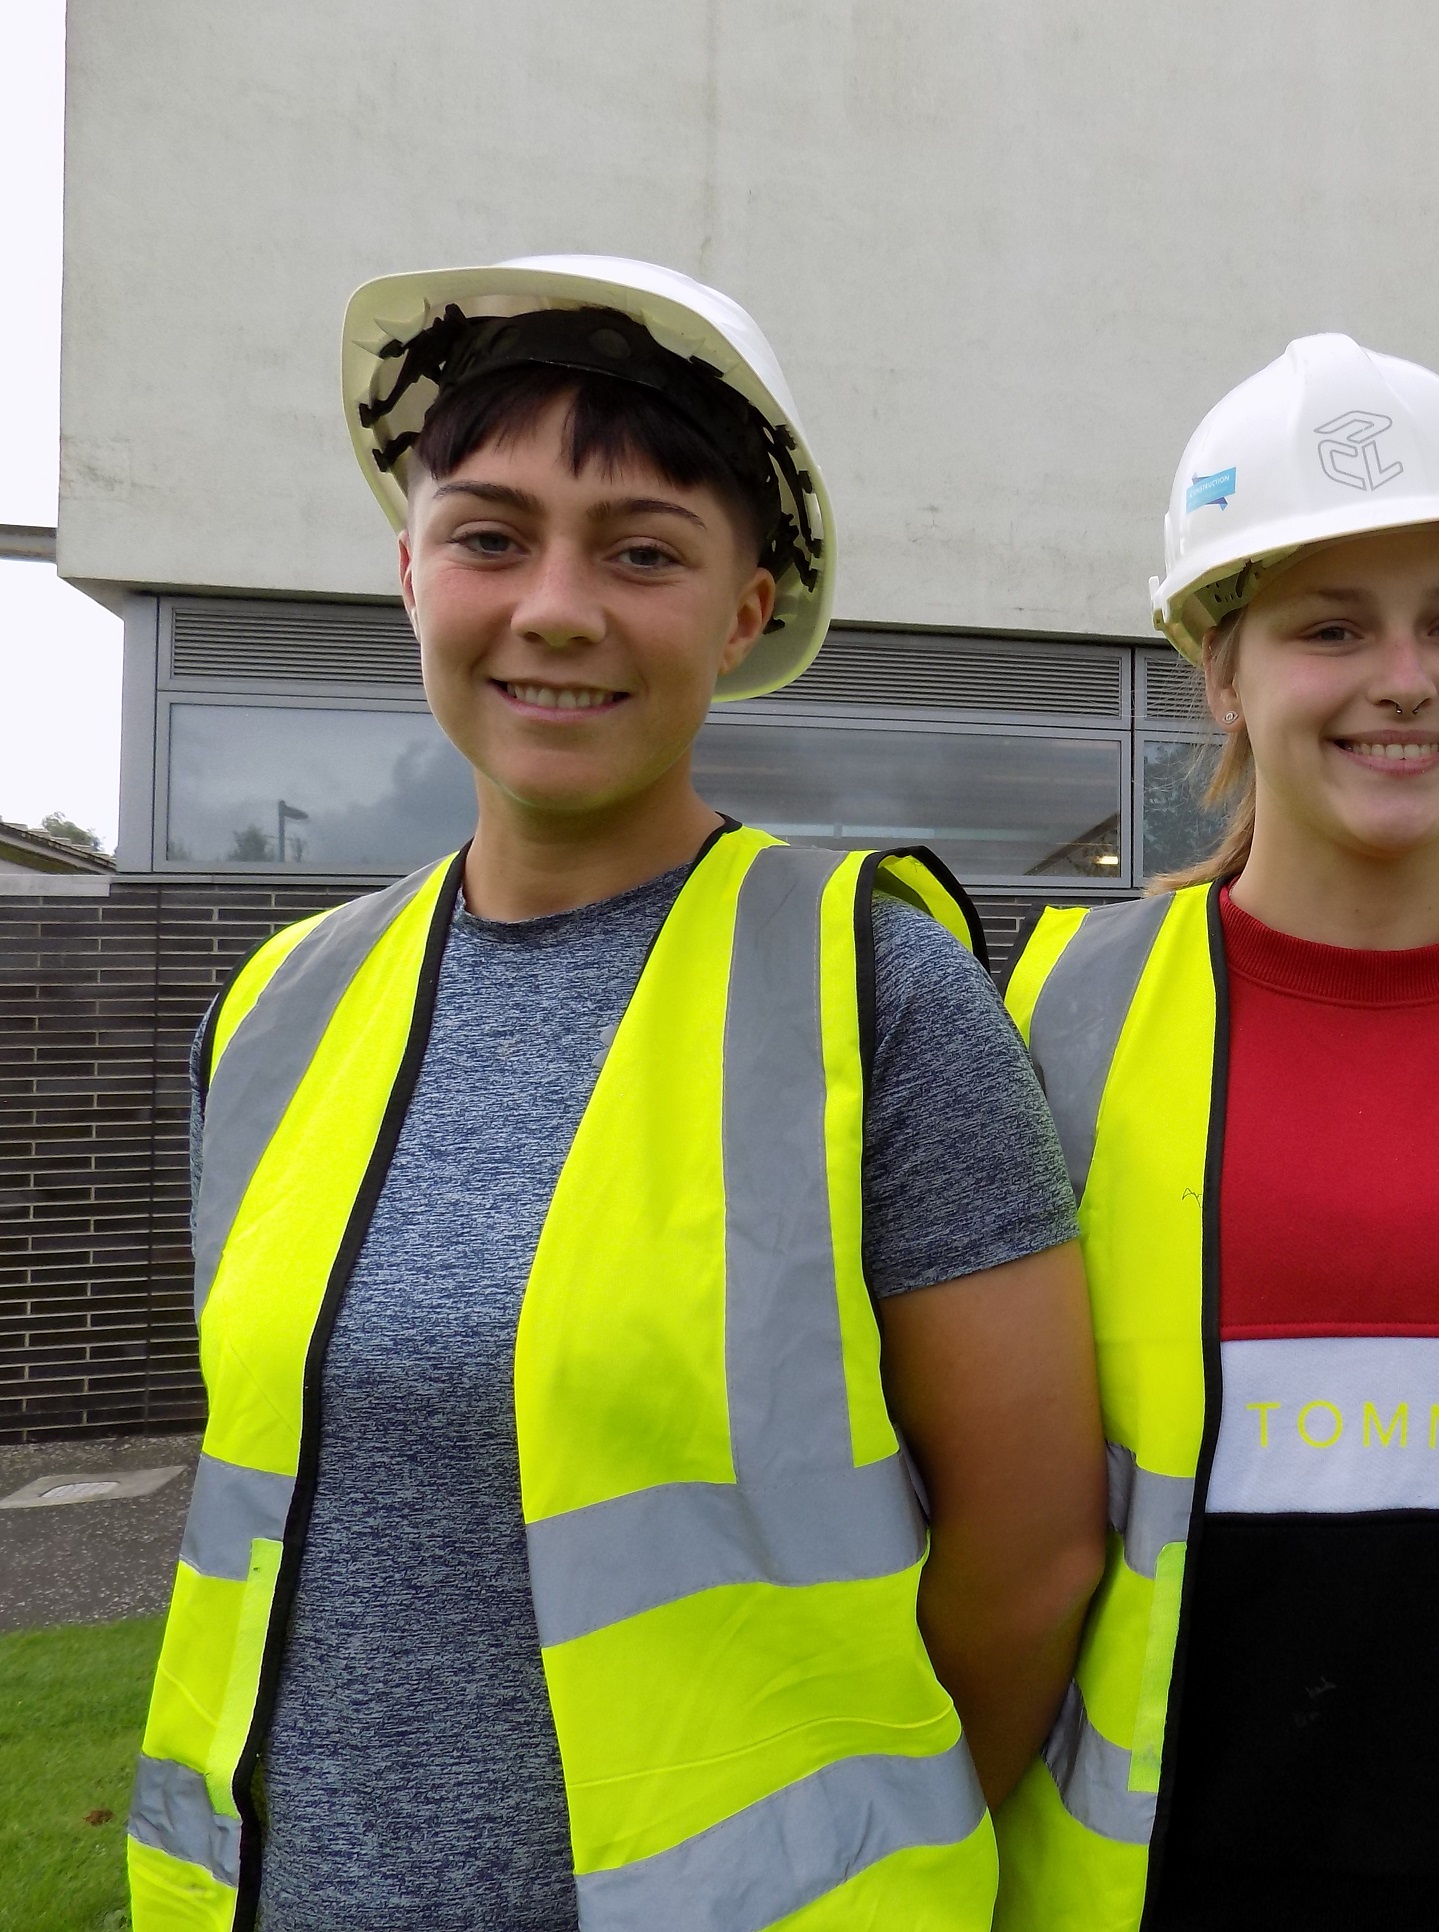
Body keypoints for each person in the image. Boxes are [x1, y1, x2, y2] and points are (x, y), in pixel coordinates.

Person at [127, 256, 1105, 1931]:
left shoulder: (872, 989)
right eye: (491, 535)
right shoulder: (283, 1008)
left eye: (642, 551)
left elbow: (1031, 1562)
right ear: (411, 569)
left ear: (742, 609)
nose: (557, 607)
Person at [993, 333, 1439, 1932]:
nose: (1405, 679)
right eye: (1332, 629)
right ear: (1220, 672)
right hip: (1179, 1888)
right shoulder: (1056, 1023)